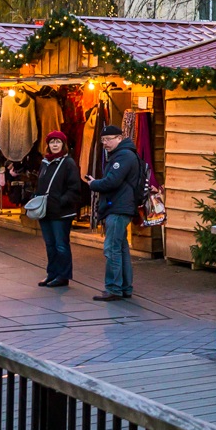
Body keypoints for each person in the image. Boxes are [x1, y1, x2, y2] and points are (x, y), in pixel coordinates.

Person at [84, 124, 142, 302]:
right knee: (121, 247)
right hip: (120, 206)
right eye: (102, 140)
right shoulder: (123, 154)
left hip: (118, 208)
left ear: (119, 138)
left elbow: (112, 182)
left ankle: (114, 288)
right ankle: (124, 287)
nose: (105, 144)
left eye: (108, 139)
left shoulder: (123, 156)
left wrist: (94, 184)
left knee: (112, 249)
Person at [33, 130, 83, 287]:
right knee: (50, 244)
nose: (55, 145)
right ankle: (52, 273)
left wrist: (60, 201)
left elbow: (74, 188)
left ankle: (63, 275)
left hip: (62, 212)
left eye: (58, 142)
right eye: (52, 142)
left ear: (63, 144)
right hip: (45, 211)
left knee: (61, 244)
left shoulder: (68, 163)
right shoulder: (45, 162)